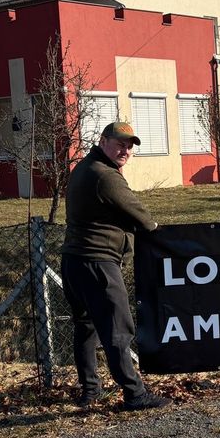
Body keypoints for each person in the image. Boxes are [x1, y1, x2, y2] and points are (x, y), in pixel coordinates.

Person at [60, 122, 171, 411]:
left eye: (130, 145)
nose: (126, 150)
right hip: (98, 263)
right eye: (120, 143)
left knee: (85, 327)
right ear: (103, 141)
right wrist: (157, 230)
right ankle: (135, 394)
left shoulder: (84, 168)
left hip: (74, 261)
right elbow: (143, 218)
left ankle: (90, 390)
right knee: (118, 330)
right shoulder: (105, 176)